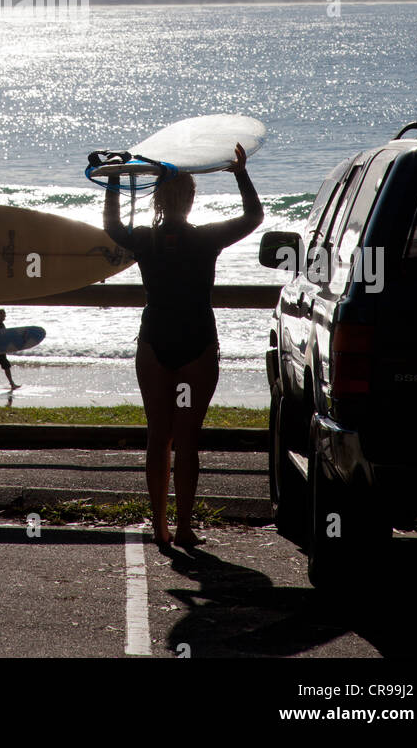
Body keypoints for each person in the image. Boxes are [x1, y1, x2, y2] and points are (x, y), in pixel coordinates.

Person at [104, 142, 263, 552]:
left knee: (159, 435)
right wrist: (240, 173)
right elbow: (253, 217)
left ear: (156, 197)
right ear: (191, 199)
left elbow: (112, 227)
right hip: (196, 344)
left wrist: (116, 180)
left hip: (155, 341)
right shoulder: (206, 239)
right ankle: (186, 528)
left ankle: (160, 527)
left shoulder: (144, 240)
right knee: (188, 438)